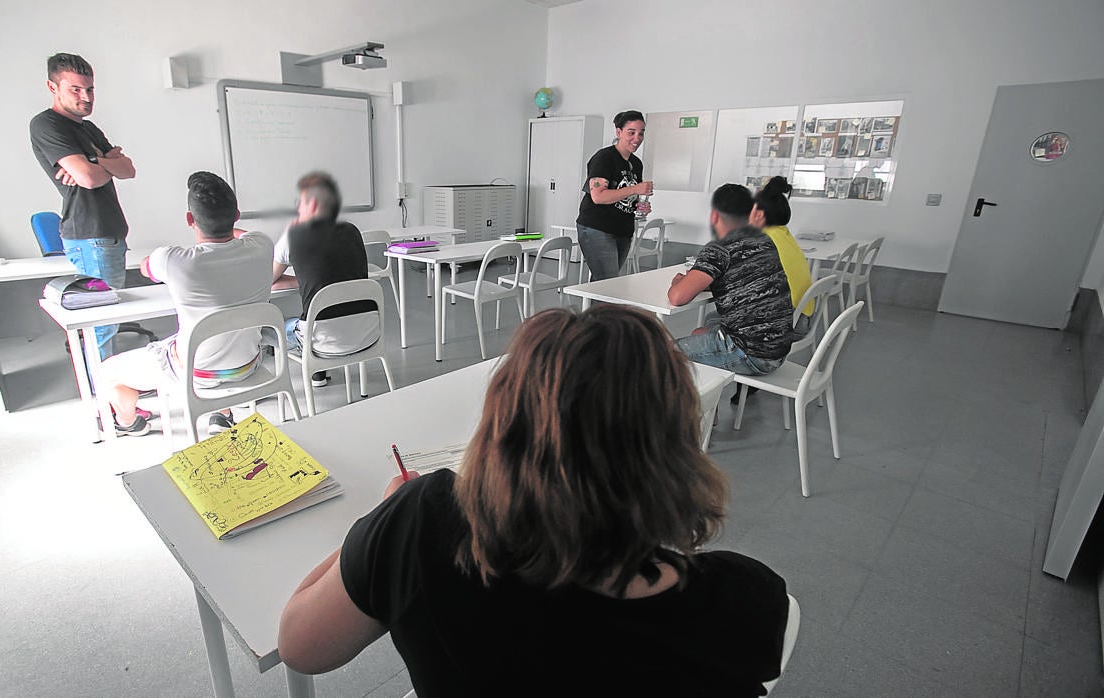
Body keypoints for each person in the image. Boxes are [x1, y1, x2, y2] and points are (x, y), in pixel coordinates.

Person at [278, 305, 789, 696]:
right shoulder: (750, 603)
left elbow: (300, 645)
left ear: (503, 430)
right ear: (675, 448)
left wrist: (383, 519)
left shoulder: (423, 523)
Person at [98, 172, 275, 436]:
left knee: (106, 371)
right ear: (237, 215)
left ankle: (128, 423)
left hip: (196, 374)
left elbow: (147, 267)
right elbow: (246, 235)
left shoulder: (174, 260)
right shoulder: (262, 245)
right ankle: (222, 413)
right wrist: (227, 228)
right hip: (249, 364)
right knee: (213, 339)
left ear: (189, 219)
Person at [30, 52, 136, 359]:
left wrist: (91, 161)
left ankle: (111, 397)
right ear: (53, 87)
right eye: (75, 89)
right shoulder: (46, 125)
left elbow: (128, 169)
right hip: (90, 234)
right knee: (101, 325)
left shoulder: (88, 129)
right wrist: (105, 163)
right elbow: (89, 180)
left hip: (108, 232)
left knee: (107, 321)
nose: (85, 96)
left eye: (89, 89)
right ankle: (109, 404)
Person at [667, 183, 792, 376]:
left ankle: (681, 402)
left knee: (665, 353)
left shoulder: (719, 249)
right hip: (778, 350)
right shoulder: (763, 240)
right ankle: (710, 395)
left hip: (752, 354)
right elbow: (740, 279)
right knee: (706, 325)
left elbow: (677, 298)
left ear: (714, 215)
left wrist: (679, 283)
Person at [269, 171, 379, 388]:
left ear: (310, 206)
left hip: (322, 340)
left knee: (279, 327)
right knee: (328, 310)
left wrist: (303, 280)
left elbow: (269, 279)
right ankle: (319, 371)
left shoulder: (294, 235)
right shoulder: (352, 231)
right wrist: (308, 280)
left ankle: (311, 372)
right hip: (367, 333)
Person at [574, 110, 654, 280]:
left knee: (605, 283)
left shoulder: (636, 163)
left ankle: (595, 307)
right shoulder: (605, 158)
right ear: (619, 132)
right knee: (607, 283)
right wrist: (635, 189)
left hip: (622, 229)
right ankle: (600, 307)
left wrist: (639, 204)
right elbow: (598, 196)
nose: (637, 138)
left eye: (641, 133)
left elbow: (627, 195)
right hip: (598, 227)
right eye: (631, 133)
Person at [751, 176, 813, 321]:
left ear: (759, 215)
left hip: (784, 321)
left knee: (715, 321)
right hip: (801, 314)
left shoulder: (763, 241)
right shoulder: (783, 234)